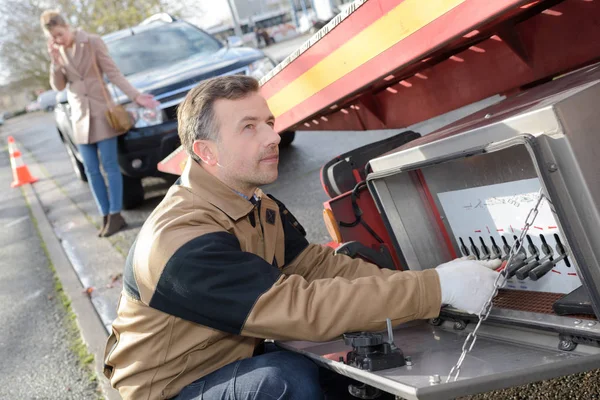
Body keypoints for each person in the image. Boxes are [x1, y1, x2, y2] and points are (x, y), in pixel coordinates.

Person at [103, 75, 501, 399]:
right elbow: (299, 308)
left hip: (229, 358)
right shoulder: (180, 240)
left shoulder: (256, 204)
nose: (273, 137)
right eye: (249, 128)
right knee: (284, 383)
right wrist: (433, 289)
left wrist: (434, 289)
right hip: (171, 389)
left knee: (358, 372)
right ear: (207, 152)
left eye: (269, 123)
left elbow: (318, 267)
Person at [41, 10, 159, 237]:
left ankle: (116, 215)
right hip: (79, 117)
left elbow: (113, 74)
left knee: (110, 166)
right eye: (53, 37)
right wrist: (55, 63)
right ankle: (105, 214)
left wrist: (136, 96)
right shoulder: (59, 53)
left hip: (102, 113)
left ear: (66, 26)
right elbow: (58, 87)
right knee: (91, 170)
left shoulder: (92, 42)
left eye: (59, 34)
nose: (58, 40)